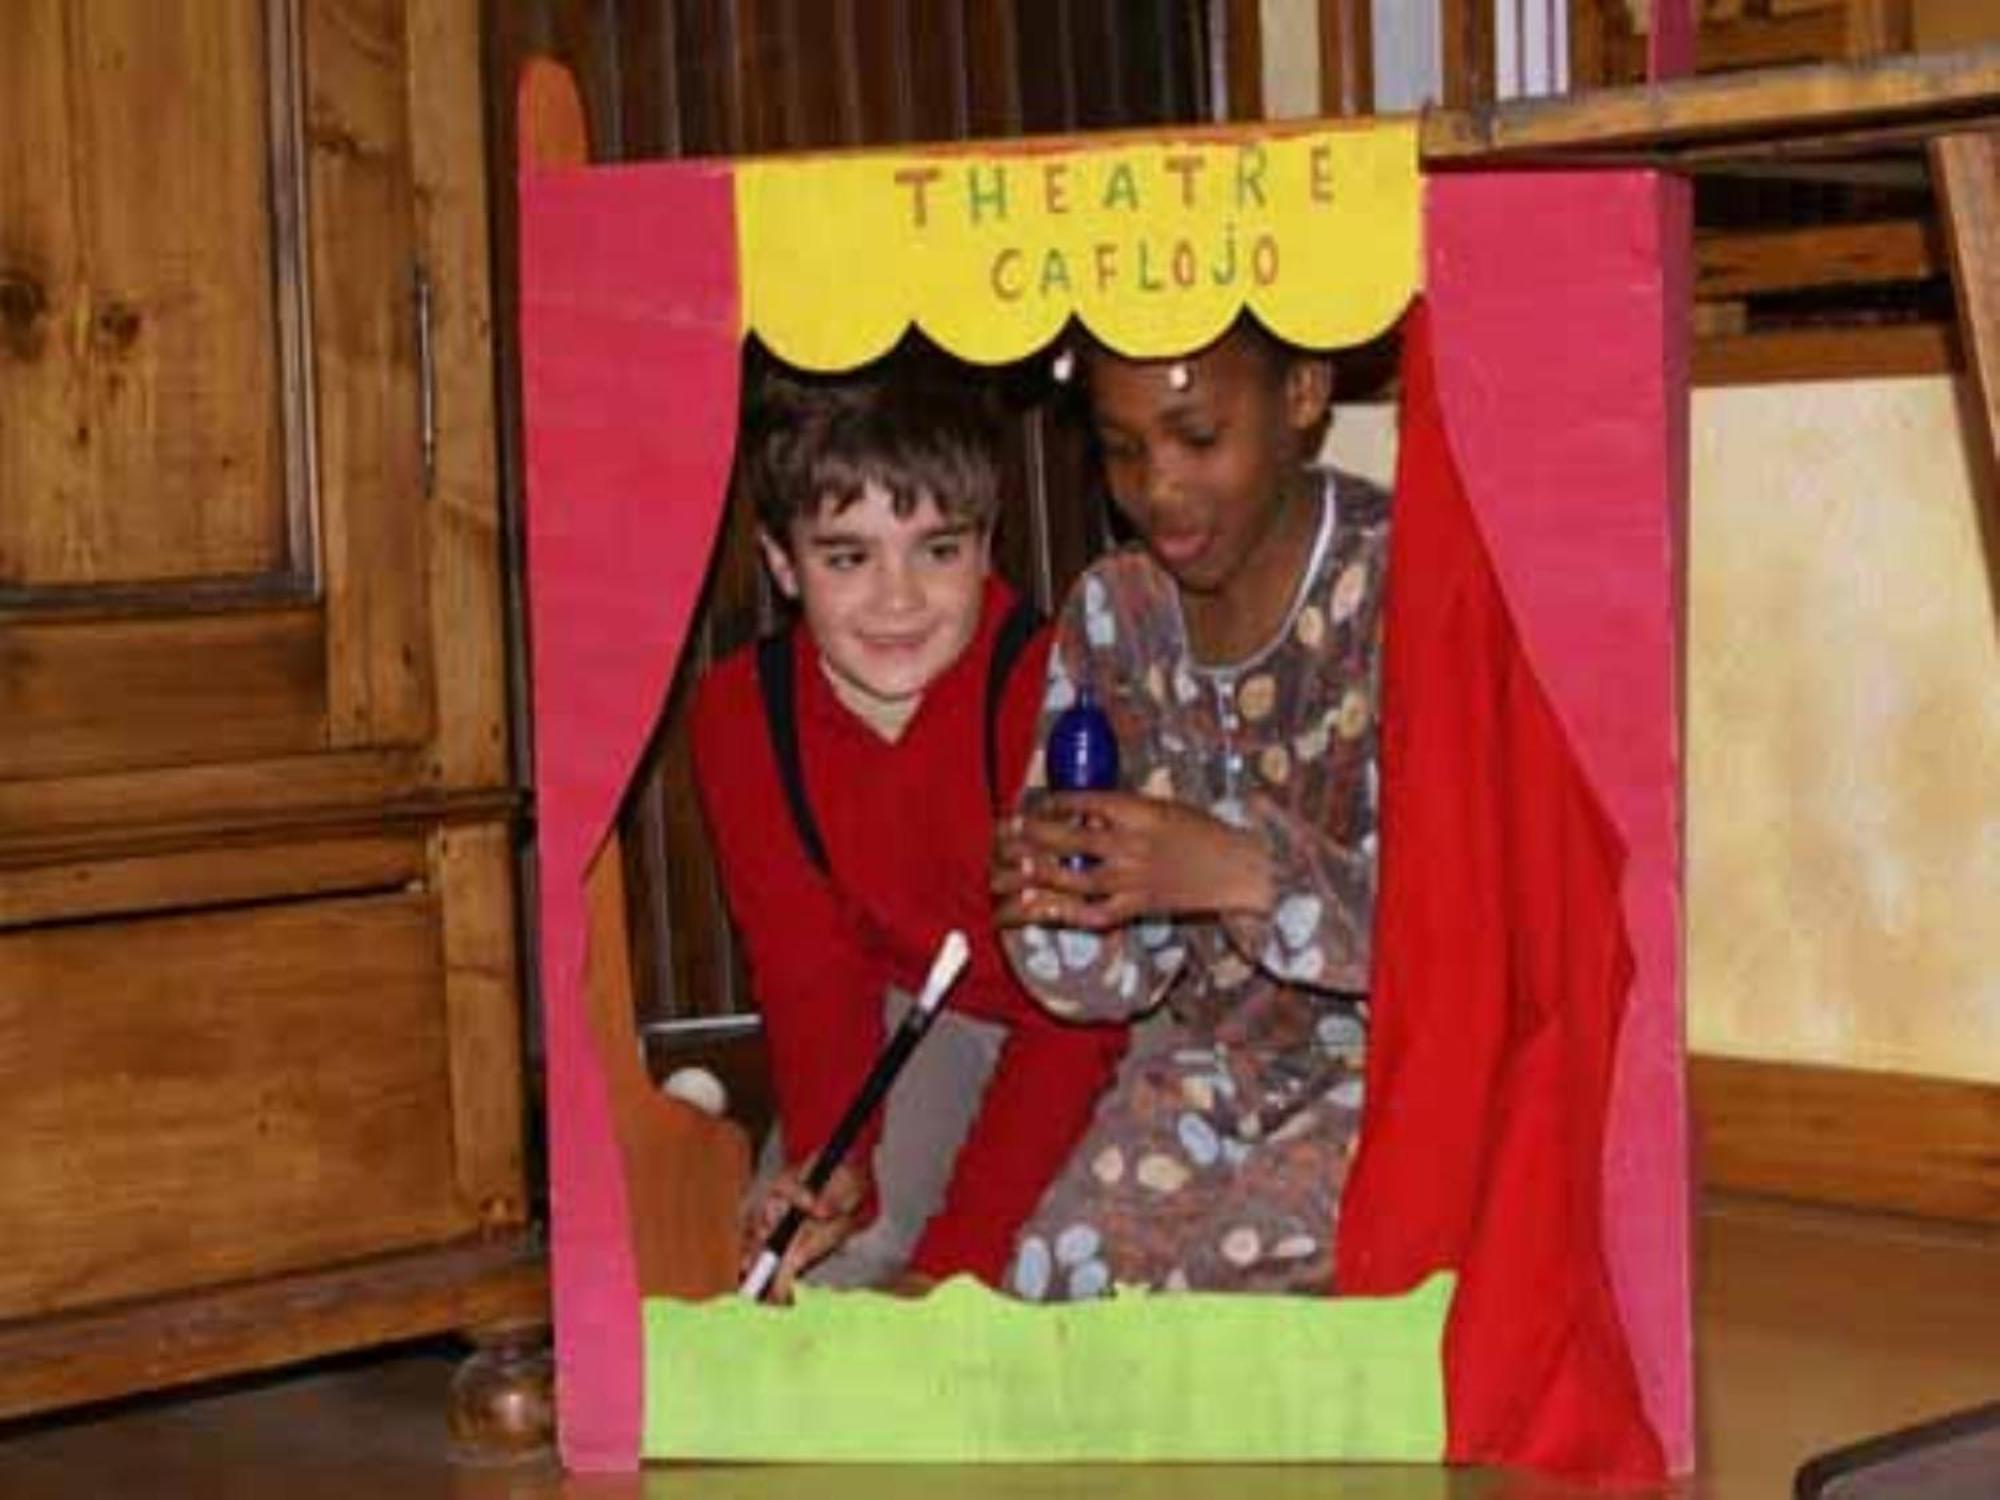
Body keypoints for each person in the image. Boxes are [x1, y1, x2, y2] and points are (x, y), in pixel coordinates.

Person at [691, 365, 1127, 1301]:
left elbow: (1078, 1023)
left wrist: (953, 1266)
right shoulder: (743, 717)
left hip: (1098, 1028)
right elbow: (809, 972)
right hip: (925, 1016)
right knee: (808, 1279)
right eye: (848, 557)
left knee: (1046, 1275)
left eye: (936, 550)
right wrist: (835, 1159)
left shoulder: (1047, 690)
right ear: (781, 563)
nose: (898, 601)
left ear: (986, 546)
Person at [992, 319, 1388, 1299]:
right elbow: (1106, 985)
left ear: (1302, 394)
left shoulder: (1403, 587)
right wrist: (1065, 905)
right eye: (1122, 449)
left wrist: (1243, 871)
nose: (1158, 489)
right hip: (1213, 1067)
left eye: (1197, 437)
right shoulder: (1113, 612)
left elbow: (1476, 931)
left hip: (1402, 1077)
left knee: (1230, 1288)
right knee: (1057, 1283)